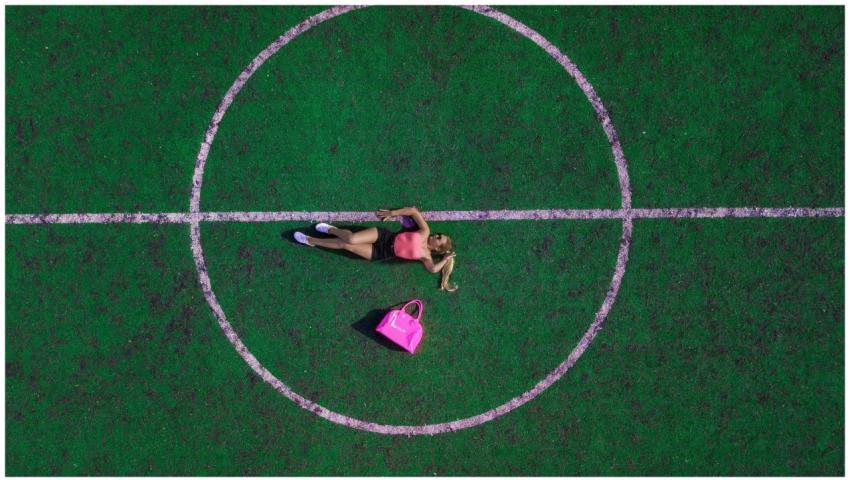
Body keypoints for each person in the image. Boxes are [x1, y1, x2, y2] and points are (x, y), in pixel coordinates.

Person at [293, 206, 457, 291]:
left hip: (382, 253)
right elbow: (413, 211)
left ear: (438, 248)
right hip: (384, 236)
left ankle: (311, 240)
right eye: (439, 234)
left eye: (438, 238)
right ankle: (330, 229)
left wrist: (445, 259)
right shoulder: (425, 231)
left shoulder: (427, 257)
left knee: (345, 245)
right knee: (351, 238)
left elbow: (433, 269)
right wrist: (393, 213)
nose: (436, 235)